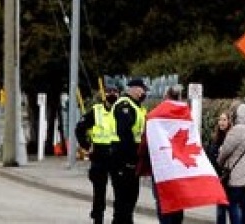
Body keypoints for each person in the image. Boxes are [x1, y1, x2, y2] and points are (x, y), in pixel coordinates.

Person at [138, 85, 185, 224]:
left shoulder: (154, 115)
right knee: (178, 201)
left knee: (163, 200)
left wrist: (141, 158)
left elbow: (146, 142)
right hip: (179, 166)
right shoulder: (186, 115)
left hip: (161, 166)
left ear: (165, 97)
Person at [75, 84, 120, 224]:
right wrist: (86, 146)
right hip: (99, 155)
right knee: (99, 191)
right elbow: (80, 128)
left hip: (117, 155)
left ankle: (118, 219)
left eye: (115, 92)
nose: (112, 94)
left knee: (119, 190)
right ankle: (98, 218)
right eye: (109, 92)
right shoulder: (96, 111)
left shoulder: (122, 110)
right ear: (104, 95)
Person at [110, 78, 148, 224]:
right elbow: (125, 135)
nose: (143, 92)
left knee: (130, 200)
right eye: (142, 89)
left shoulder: (137, 107)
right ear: (133, 89)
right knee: (123, 202)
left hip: (132, 161)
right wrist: (130, 160)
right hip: (123, 161)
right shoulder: (124, 106)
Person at [207, 110, 234, 224]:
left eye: (224, 120)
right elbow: (210, 154)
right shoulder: (215, 137)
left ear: (229, 122)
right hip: (218, 178)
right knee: (220, 209)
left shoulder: (232, 137)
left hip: (229, 177)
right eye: (220, 119)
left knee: (231, 207)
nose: (221, 122)